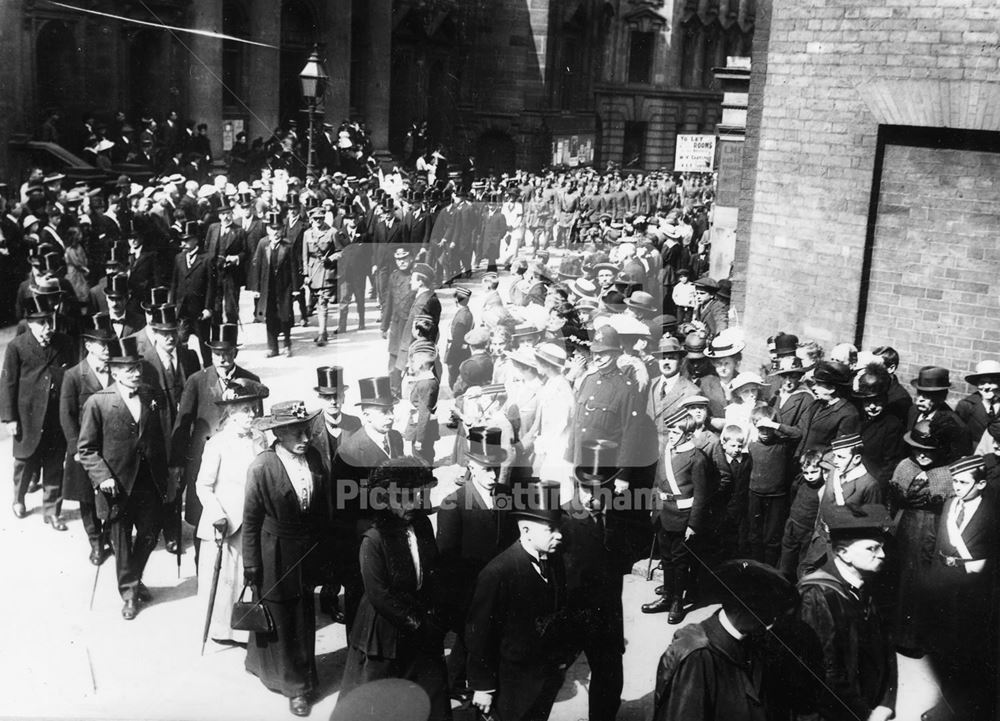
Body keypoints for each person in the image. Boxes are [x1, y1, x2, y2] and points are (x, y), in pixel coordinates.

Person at [338, 456, 450, 721]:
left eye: (418, 496)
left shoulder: (421, 525)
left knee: (432, 687)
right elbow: (380, 595)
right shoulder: (373, 540)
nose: (413, 504)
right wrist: (417, 624)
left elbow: (431, 571)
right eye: (405, 498)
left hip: (420, 617)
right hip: (384, 629)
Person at [243, 400, 329, 717]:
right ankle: (297, 689)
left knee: (303, 615)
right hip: (274, 552)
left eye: (306, 430)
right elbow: (250, 521)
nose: (304, 438)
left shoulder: (315, 458)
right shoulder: (262, 467)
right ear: (278, 433)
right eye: (296, 433)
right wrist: (251, 564)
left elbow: (322, 508)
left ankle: (278, 671)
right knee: (284, 618)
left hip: (305, 550)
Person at [77, 335, 172, 620]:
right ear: (114, 371)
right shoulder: (98, 403)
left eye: (138, 368)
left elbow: (157, 437)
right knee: (120, 539)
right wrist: (102, 476)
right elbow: (86, 449)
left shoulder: (150, 394)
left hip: (148, 481)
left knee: (149, 533)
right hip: (116, 485)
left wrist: (166, 473)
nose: (135, 374)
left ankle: (134, 575)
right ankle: (129, 594)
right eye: (128, 369)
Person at [466, 480, 571, 721]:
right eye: (550, 529)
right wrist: (483, 687)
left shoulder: (554, 561)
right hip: (510, 685)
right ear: (525, 531)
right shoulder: (498, 573)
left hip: (544, 677)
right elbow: (480, 633)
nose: (559, 535)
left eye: (559, 527)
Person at [652, 560, 799, 721]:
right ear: (742, 610)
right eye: (766, 613)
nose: (770, 621)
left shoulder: (752, 641)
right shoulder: (698, 657)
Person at [797, 503, 897, 721]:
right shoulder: (817, 596)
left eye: (882, 546)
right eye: (872, 548)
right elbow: (825, 675)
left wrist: (887, 703)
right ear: (843, 553)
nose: (882, 555)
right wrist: (866, 715)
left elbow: (885, 649)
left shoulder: (866, 582)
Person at [560, 440, 633, 721]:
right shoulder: (562, 518)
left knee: (610, 680)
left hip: (607, 617)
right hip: (571, 615)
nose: (591, 497)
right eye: (585, 489)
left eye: (598, 490)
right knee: (546, 682)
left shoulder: (617, 519)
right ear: (575, 484)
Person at [921, 456, 997, 721]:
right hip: (942, 580)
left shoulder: (992, 512)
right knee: (941, 648)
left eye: (964, 482)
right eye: (954, 481)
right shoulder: (951, 504)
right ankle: (946, 705)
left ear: (982, 483)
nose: (957, 487)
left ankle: (962, 710)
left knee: (965, 652)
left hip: (971, 588)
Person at [195, 378, 269, 646]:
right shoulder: (217, 443)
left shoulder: (261, 439)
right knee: (227, 578)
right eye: (246, 410)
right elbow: (202, 486)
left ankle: (248, 627)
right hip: (226, 521)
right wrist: (217, 513)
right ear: (232, 413)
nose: (252, 415)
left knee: (247, 576)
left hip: (254, 519)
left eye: (254, 408)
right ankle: (222, 630)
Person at [1, 294, 75, 524]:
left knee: (55, 464)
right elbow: (8, 383)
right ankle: (19, 498)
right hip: (27, 417)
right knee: (25, 461)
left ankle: (52, 510)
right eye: (41, 322)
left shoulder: (64, 343)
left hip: (56, 416)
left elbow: (72, 378)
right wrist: (9, 418)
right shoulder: (17, 347)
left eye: (50, 321)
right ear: (30, 323)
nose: (48, 328)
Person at [642, 409, 710, 622]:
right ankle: (667, 596)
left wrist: (693, 524)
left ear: (688, 435)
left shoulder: (697, 459)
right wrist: (654, 507)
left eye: (676, 431)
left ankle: (677, 602)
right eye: (670, 430)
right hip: (663, 513)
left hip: (682, 517)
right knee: (667, 558)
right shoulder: (667, 450)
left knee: (681, 561)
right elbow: (656, 481)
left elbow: (700, 495)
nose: (671, 435)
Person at [307, 365, 363, 624]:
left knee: (348, 552)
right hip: (321, 504)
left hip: (348, 503)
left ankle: (346, 596)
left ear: (344, 396)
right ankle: (328, 597)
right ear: (319, 397)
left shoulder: (355, 424)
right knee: (325, 553)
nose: (333, 401)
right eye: (327, 396)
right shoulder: (310, 426)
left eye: (337, 395)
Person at [60, 313, 116, 563]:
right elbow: (66, 414)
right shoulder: (74, 375)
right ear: (88, 346)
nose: (106, 349)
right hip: (85, 447)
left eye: (109, 344)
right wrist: (75, 448)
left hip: (112, 444)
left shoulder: (117, 371)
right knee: (87, 497)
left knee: (112, 493)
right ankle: (95, 541)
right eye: (101, 344)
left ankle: (110, 536)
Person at [249, 210, 302, 357]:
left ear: (282, 229)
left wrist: (295, 288)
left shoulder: (288, 245)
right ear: (267, 229)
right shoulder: (262, 243)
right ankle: (272, 347)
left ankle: (287, 344)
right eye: (273, 229)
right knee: (270, 316)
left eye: (278, 228)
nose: (276, 232)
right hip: (268, 287)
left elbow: (293, 268)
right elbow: (257, 266)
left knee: (285, 315)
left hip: (284, 287)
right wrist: (256, 288)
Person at [443, 286, 473, 392]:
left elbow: (457, 340)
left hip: (457, 352)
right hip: (464, 350)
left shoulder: (461, 316)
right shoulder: (466, 313)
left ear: (456, 299)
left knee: (454, 378)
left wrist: (451, 358)